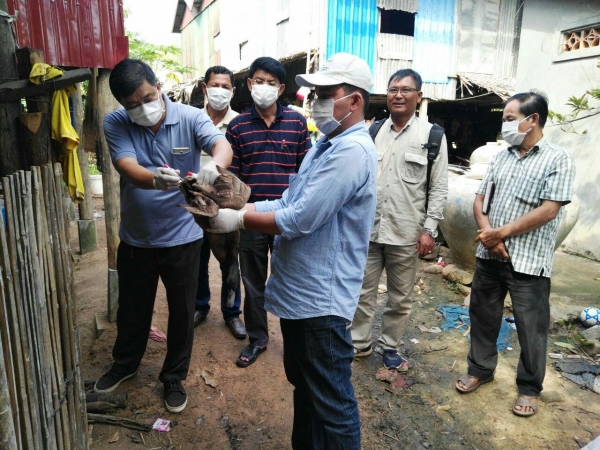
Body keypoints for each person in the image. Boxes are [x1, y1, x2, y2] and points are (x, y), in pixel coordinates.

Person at [208, 52, 377, 450]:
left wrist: (240, 220)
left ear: (355, 100)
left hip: (322, 300)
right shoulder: (325, 146)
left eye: (326, 93)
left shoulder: (352, 151)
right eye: (314, 93)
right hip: (303, 294)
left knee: (332, 402)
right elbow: (288, 199)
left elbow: (301, 218)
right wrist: (243, 208)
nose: (315, 101)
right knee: (305, 386)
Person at [93, 59, 233, 414]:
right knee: (132, 308)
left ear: (158, 87)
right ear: (122, 104)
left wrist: (213, 166)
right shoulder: (115, 122)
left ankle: (173, 376)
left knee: (183, 311)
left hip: (184, 237)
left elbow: (221, 145)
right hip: (137, 238)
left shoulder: (190, 117)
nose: (142, 108)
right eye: (132, 105)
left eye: (147, 98)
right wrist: (153, 179)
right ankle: (125, 364)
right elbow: (126, 165)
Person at [455, 91, 575, 417]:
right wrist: (490, 237)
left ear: (532, 119)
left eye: (510, 119)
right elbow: (480, 201)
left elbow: (549, 210)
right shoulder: (501, 157)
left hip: (529, 261)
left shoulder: (558, 159)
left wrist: (501, 233)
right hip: (490, 256)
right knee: (483, 317)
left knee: (531, 329)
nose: (505, 125)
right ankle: (480, 369)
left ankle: (529, 387)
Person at [351, 69, 448, 370]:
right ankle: (359, 343)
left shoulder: (432, 136)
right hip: (369, 229)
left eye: (406, 90)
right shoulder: (373, 131)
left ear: (419, 96)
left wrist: (429, 230)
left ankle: (390, 346)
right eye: (393, 89)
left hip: (406, 232)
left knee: (400, 298)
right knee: (362, 292)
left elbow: (438, 187)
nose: (398, 95)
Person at [226, 57, 311, 367]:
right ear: (249, 84)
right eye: (259, 81)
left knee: (294, 280)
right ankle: (258, 338)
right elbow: (232, 177)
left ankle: (297, 341)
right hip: (251, 218)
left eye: (271, 83)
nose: (264, 87)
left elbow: (307, 172)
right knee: (253, 282)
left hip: (288, 218)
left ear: (281, 88)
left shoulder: (297, 122)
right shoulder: (237, 126)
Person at [194, 65, 246, 340]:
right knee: (197, 259)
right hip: (194, 205)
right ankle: (199, 306)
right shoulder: (191, 119)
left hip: (227, 206)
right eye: (215, 85)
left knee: (230, 262)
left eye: (226, 87)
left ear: (233, 91)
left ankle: (232, 312)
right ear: (205, 87)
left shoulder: (240, 123)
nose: (220, 91)